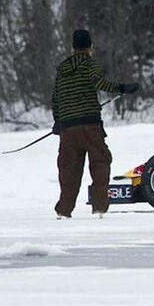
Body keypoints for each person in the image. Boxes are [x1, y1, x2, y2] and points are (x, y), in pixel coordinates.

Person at [50, 29, 139, 218]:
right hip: (90, 125)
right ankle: (99, 209)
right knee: (100, 163)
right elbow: (100, 83)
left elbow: (55, 98)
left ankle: (63, 212)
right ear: (90, 47)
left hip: (68, 128)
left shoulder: (62, 70)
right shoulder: (89, 64)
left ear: (72, 47)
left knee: (68, 170)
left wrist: (58, 121)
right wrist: (122, 88)